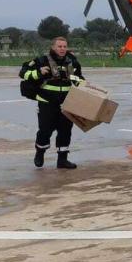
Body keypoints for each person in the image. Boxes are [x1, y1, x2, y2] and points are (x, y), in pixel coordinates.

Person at [21, 36, 83, 169]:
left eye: (64, 46)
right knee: (45, 131)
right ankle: (40, 152)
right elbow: (23, 73)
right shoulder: (42, 60)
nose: (62, 49)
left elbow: (79, 78)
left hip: (66, 103)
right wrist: (39, 72)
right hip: (47, 102)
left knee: (65, 131)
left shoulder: (72, 61)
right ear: (53, 47)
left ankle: (62, 160)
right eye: (59, 46)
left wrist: (84, 85)